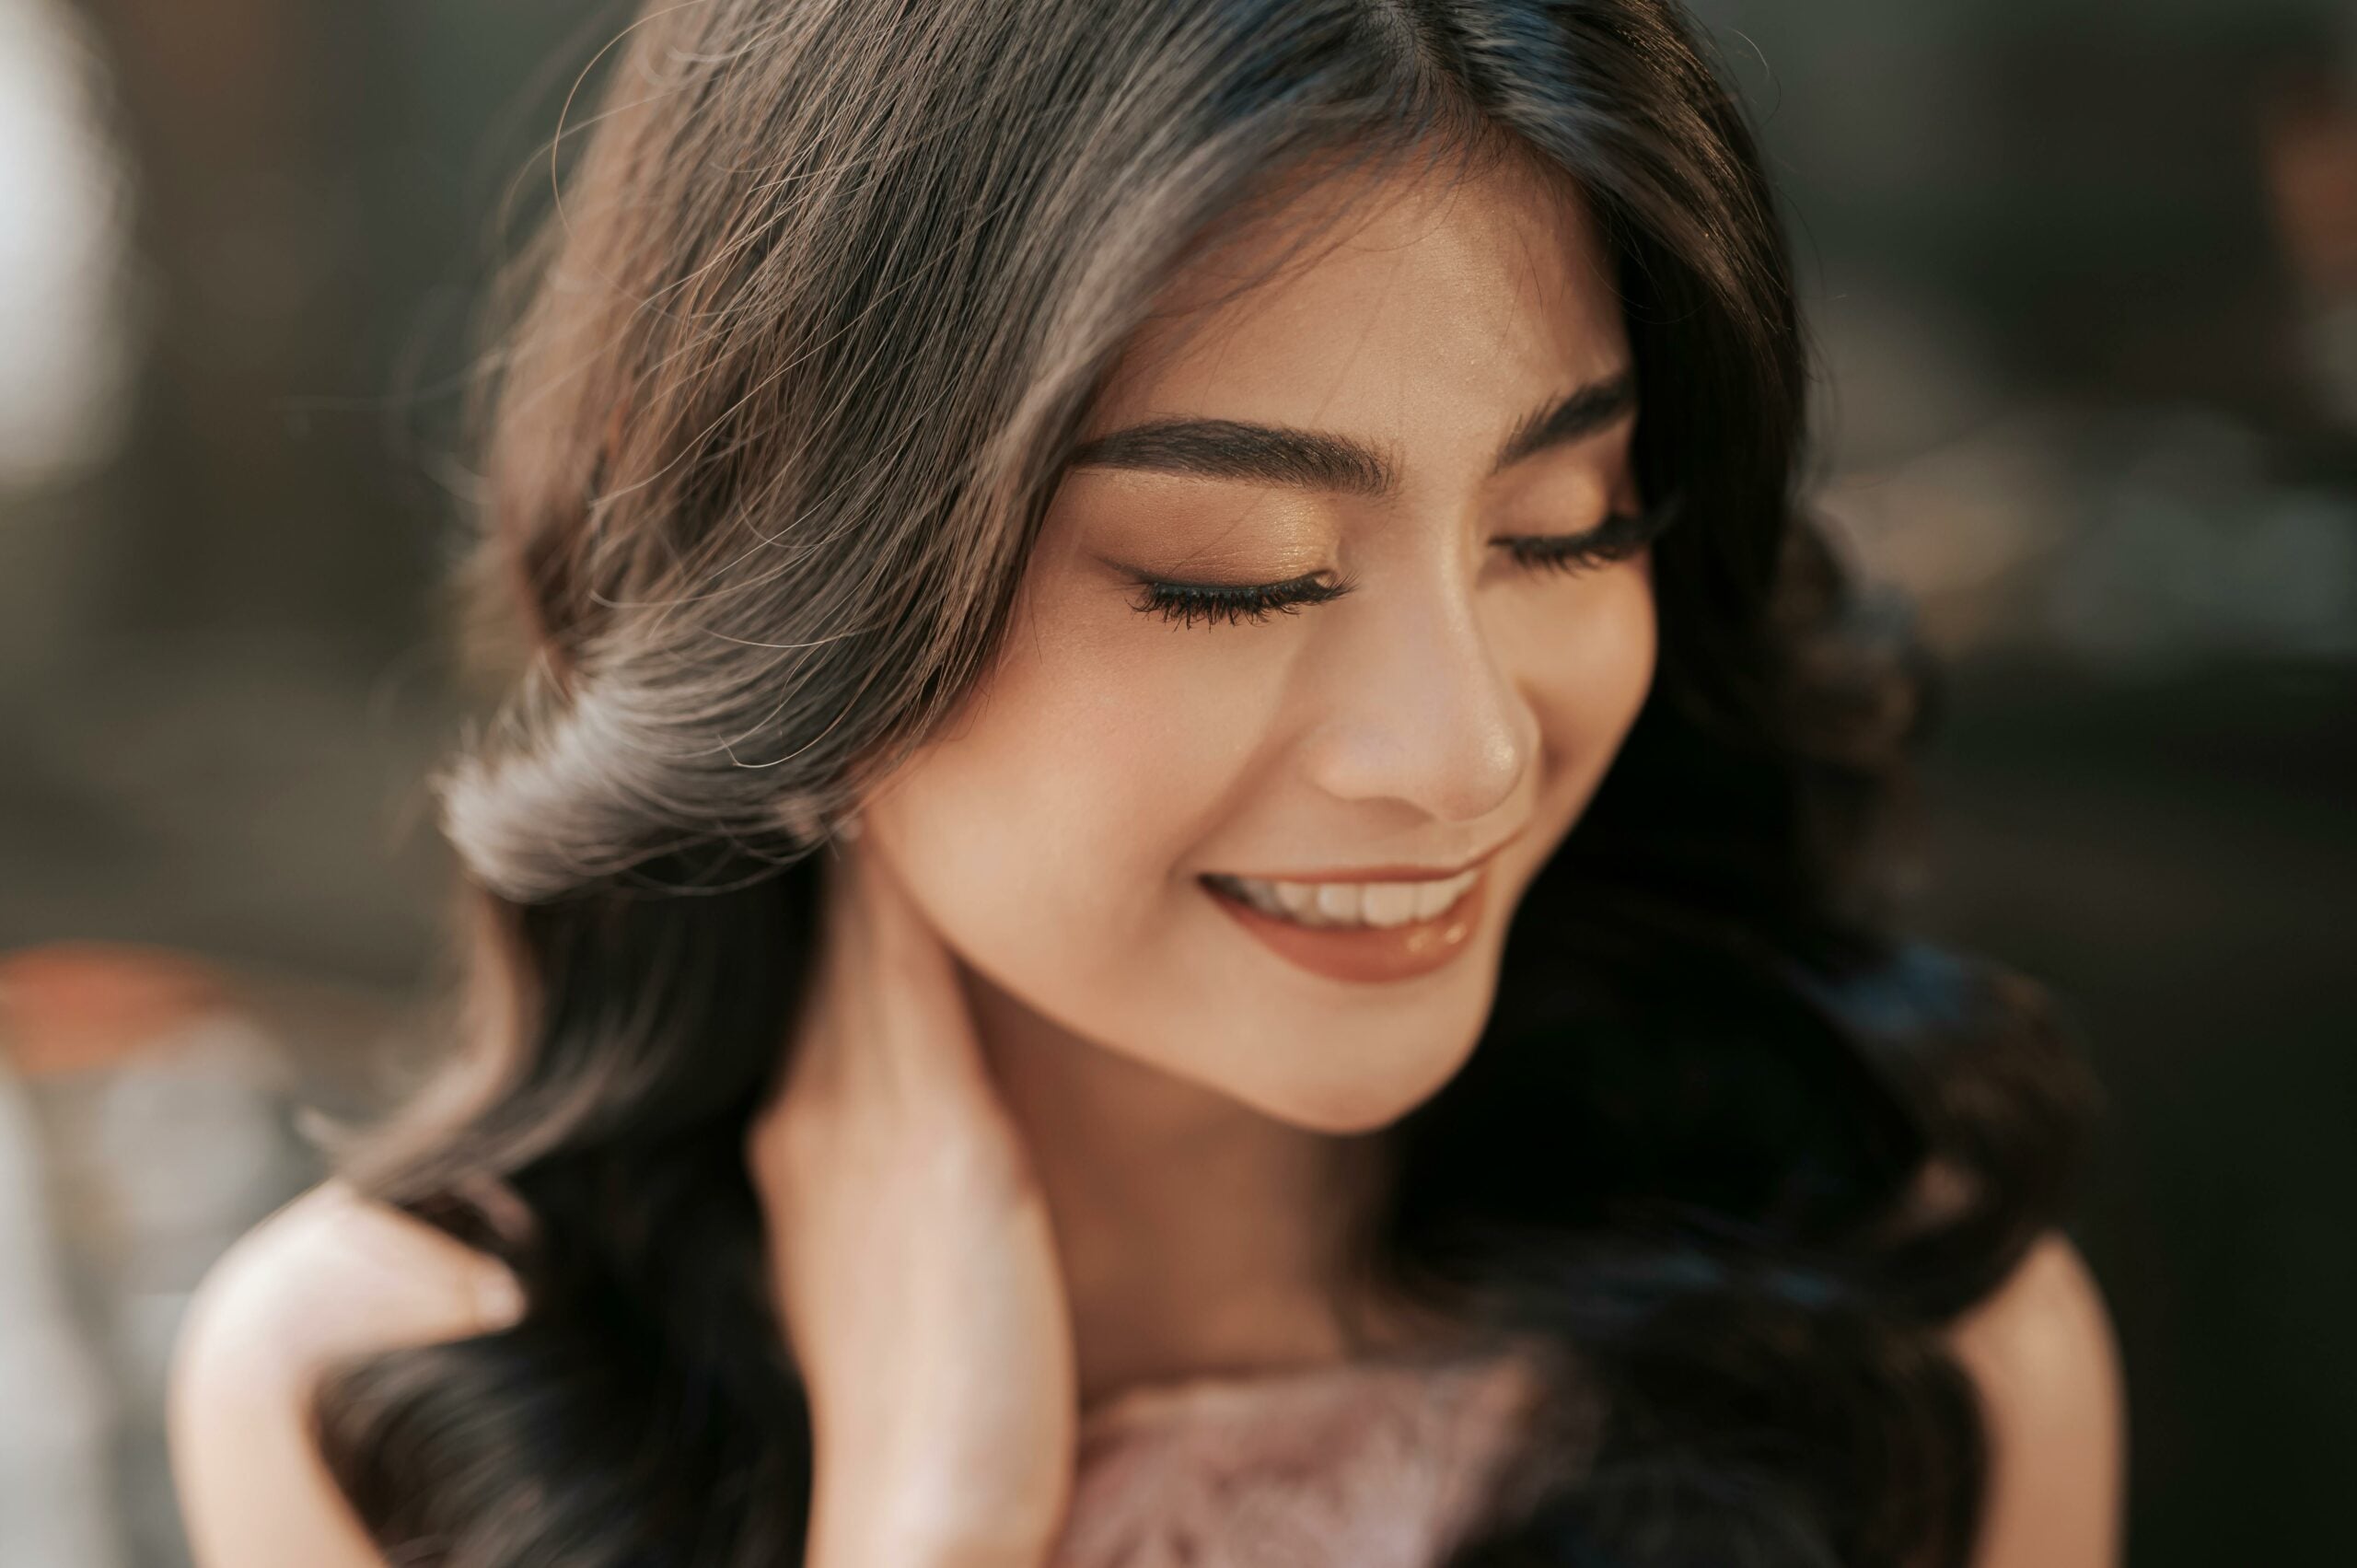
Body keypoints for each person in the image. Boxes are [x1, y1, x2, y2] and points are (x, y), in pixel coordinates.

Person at [165, 2, 2126, 1564]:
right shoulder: (390, 1400)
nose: (1464, 751)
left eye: (1559, 527)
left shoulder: (1910, 1354)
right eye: (1229, 571)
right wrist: (929, 1531)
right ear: (800, 587)